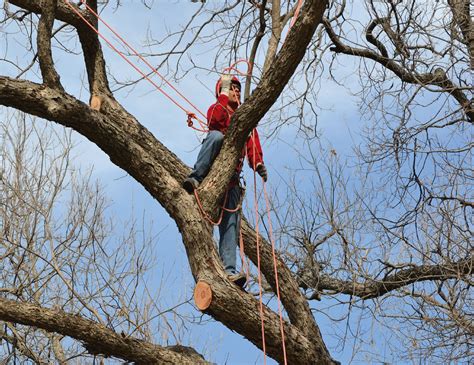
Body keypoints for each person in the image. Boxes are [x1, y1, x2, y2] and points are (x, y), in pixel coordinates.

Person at [183, 74, 267, 287]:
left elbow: (252, 142)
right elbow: (214, 122)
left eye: (238, 89)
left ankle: (229, 271)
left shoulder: (245, 119)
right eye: (232, 88)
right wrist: (222, 96)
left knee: (231, 224)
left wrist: (257, 163)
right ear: (222, 91)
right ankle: (195, 177)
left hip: (232, 179)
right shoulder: (217, 108)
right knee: (216, 136)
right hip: (213, 168)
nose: (236, 92)